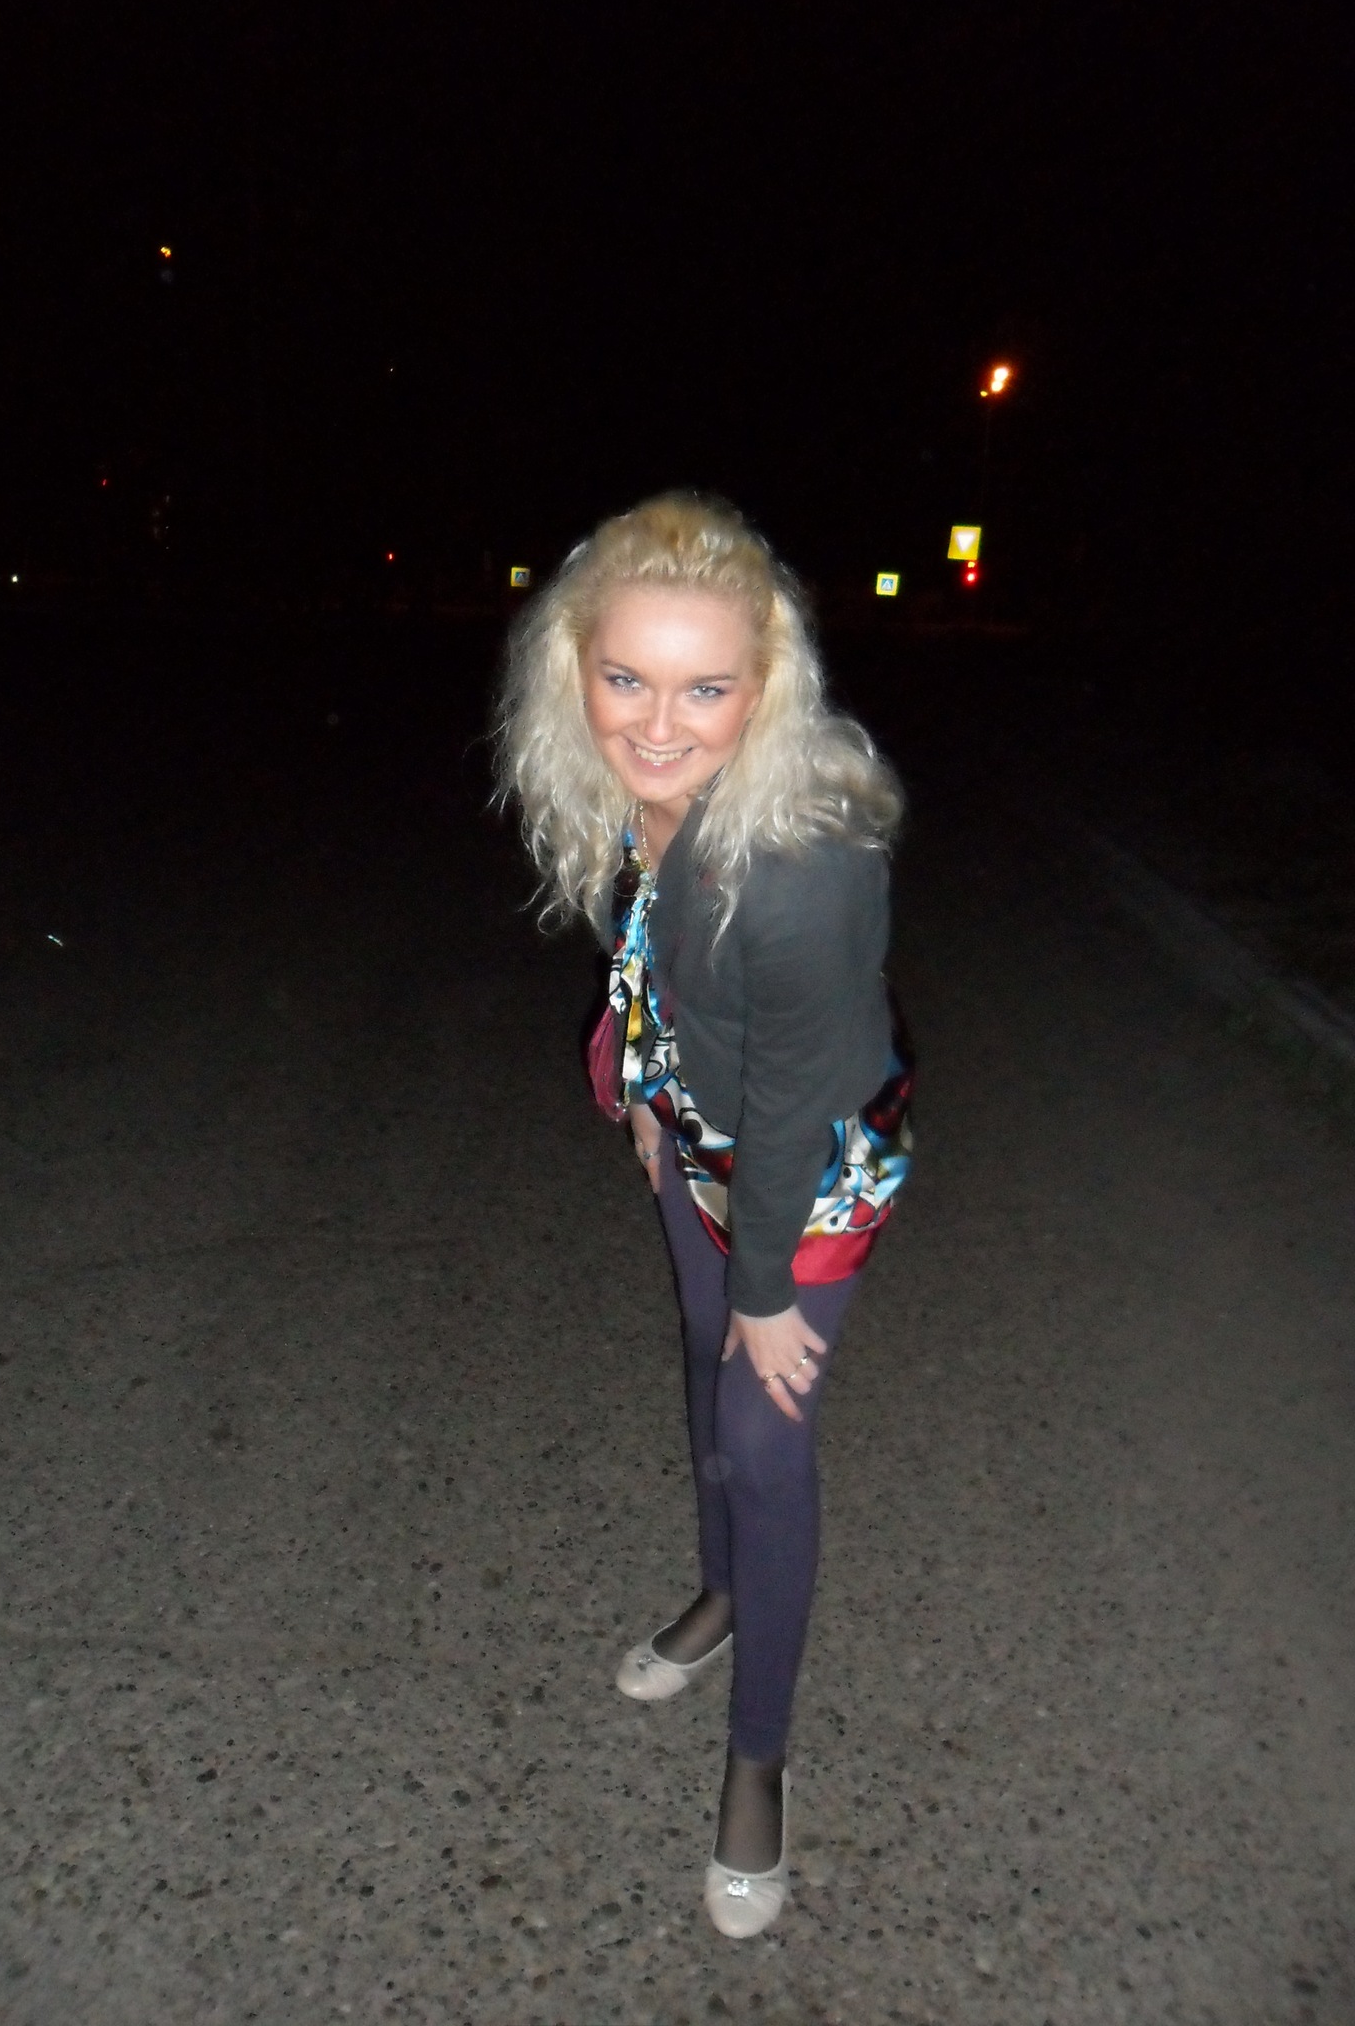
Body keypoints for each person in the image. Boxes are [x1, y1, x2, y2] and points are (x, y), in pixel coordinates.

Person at [495, 492, 912, 1939]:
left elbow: (792, 1104)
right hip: (699, 1131)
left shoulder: (800, 866)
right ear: (577, 670)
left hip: (812, 1170)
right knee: (697, 1359)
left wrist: (766, 1288)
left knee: (760, 1428)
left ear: (764, 687)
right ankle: (723, 1593)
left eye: (705, 690)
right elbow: (650, 957)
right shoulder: (628, 793)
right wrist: (644, 1093)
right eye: (626, 678)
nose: (658, 725)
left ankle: (759, 1758)